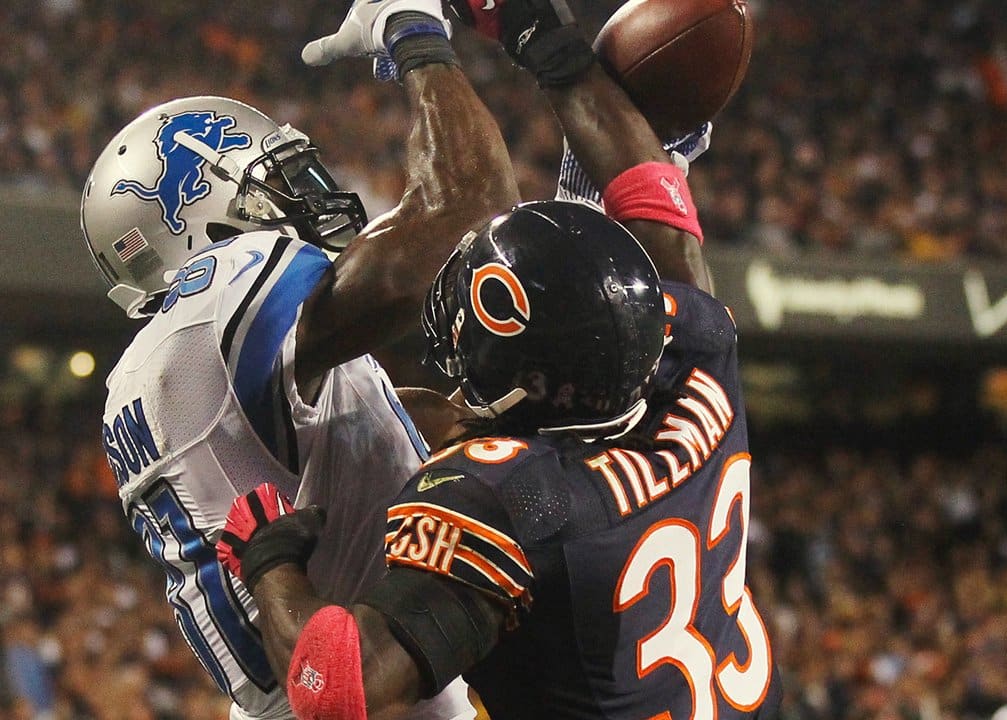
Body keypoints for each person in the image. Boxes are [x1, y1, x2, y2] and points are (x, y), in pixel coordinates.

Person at [214, 1, 781, 718]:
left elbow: (340, 687)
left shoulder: (513, 499)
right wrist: (539, 33)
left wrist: (269, 560)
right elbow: (647, 185)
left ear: (525, 382)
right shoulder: (697, 353)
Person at [81, 0, 520, 717]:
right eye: (272, 179)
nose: (303, 192)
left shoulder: (173, 363)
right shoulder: (220, 297)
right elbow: (473, 215)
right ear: (196, 221)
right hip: (351, 690)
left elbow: (332, 448)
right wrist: (412, 31)